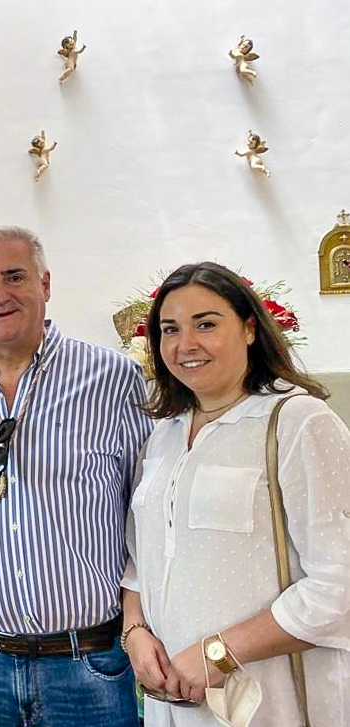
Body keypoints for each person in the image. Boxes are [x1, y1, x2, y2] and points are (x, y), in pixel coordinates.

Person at [0, 225, 152, 727]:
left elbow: (148, 511)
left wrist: (139, 624)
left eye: (14, 277)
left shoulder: (111, 378)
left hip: (88, 663)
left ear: (45, 285)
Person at [121, 262, 350, 726]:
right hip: (174, 701)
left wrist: (219, 654)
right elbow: (140, 562)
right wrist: (136, 632)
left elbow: (339, 585)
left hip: (270, 699)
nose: (185, 344)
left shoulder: (296, 421)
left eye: (206, 324)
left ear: (249, 328)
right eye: (170, 329)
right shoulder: (162, 436)